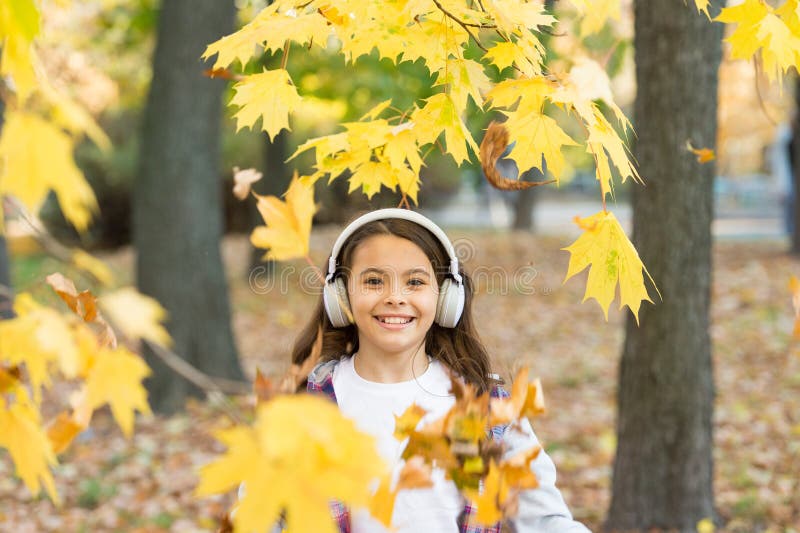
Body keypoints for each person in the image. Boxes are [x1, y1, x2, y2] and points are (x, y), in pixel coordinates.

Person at [291, 208, 590, 533]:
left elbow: (546, 524)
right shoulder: (304, 409)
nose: (395, 297)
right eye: (374, 281)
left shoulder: (490, 410)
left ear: (447, 297)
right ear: (340, 294)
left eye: (415, 282)